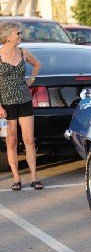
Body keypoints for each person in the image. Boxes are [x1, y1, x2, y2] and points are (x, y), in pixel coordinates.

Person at [0, 21, 42, 191]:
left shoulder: (23, 52)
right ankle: (16, 178)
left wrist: (31, 79)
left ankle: (34, 177)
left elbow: (37, 64)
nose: (20, 36)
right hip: (7, 104)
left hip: (24, 101)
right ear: (8, 36)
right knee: (11, 141)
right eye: (18, 33)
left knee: (29, 140)